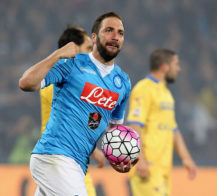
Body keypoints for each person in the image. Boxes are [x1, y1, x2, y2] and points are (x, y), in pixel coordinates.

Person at [19, 12, 134, 196]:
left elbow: (115, 132)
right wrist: (57, 55)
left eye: (120, 33)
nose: (115, 36)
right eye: (109, 30)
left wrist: (118, 158)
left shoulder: (123, 82)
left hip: (77, 165)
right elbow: (25, 83)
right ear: (94, 37)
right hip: (56, 156)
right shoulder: (72, 64)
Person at [39, 25, 104, 196]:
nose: (92, 54)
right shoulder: (58, 79)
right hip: (61, 158)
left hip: (65, 158)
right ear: (73, 50)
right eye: (89, 48)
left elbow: (90, 117)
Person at [127, 49, 197, 196]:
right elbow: (134, 125)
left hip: (163, 169)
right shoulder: (143, 88)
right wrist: (139, 159)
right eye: (176, 64)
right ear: (165, 67)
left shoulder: (166, 93)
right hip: (148, 167)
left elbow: (173, 130)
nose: (179, 69)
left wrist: (186, 158)